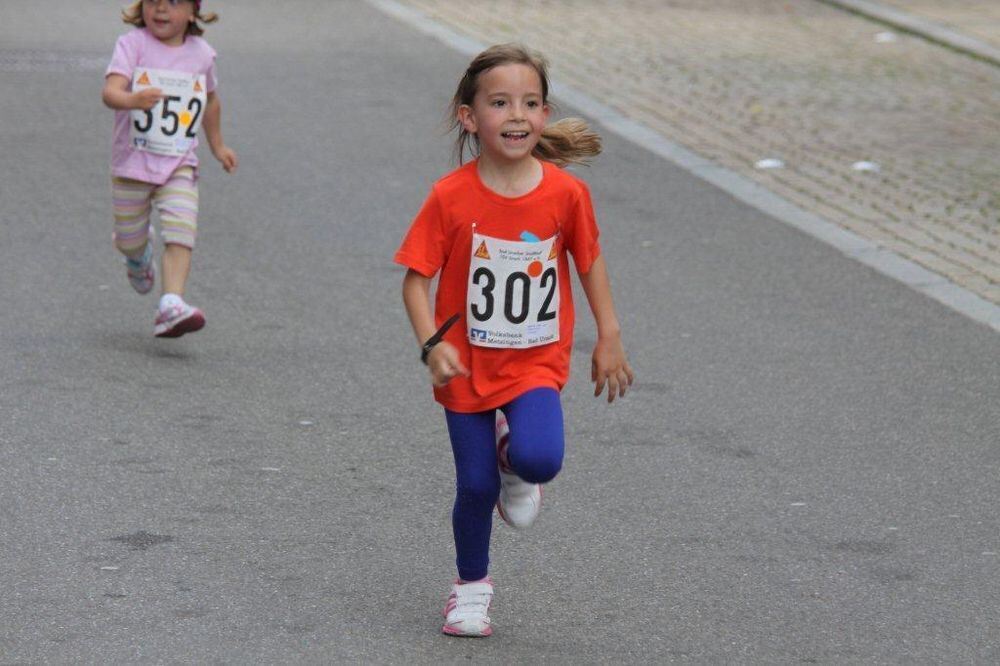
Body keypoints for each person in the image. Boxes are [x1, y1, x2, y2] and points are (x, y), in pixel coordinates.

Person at [395, 44, 635, 637]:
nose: (517, 114)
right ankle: (470, 590)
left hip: (534, 361)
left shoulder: (565, 194)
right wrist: (431, 345)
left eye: (530, 103)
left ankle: (513, 455)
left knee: (540, 459)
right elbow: (415, 281)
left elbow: (589, 261)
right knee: (475, 486)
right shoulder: (450, 196)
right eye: (500, 103)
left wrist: (608, 334)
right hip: (465, 366)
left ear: (545, 115)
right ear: (469, 116)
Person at [101, 0, 237, 338]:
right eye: (153, 1)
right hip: (132, 164)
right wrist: (132, 99)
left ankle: (171, 302)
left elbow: (210, 100)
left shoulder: (202, 54)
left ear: (192, 11)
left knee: (181, 230)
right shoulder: (132, 45)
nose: (161, 9)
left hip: (178, 162)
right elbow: (110, 92)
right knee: (129, 239)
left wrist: (218, 146)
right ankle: (137, 256)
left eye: (174, 2)